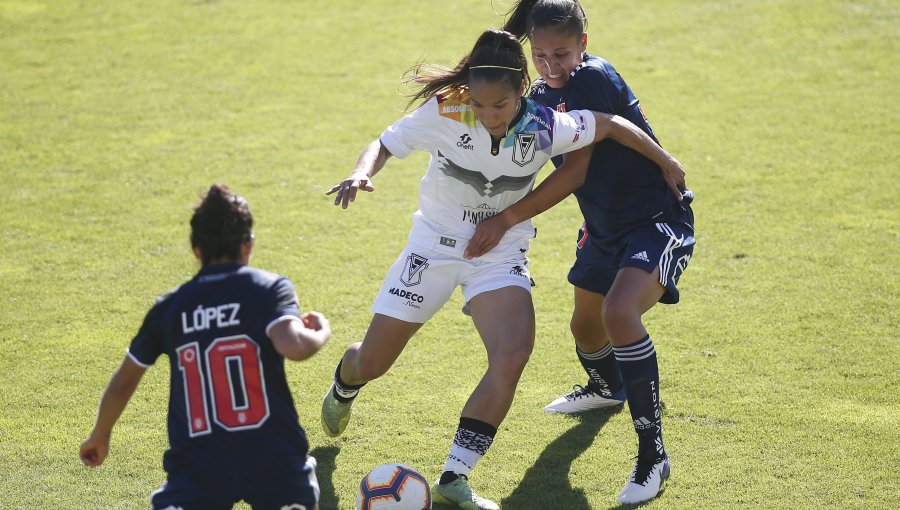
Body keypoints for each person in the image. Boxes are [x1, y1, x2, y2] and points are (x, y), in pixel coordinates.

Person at [320, 28, 684, 510]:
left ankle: (455, 475)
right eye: (481, 105)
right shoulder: (446, 109)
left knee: (512, 352)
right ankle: (348, 377)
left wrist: (665, 160)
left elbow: (612, 124)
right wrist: (362, 171)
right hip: (432, 249)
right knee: (374, 362)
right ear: (467, 91)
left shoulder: (544, 123)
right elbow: (385, 143)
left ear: (522, 93)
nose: (490, 116)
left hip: (499, 254)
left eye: (501, 106)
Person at [463, 0, 696, 504]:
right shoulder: (541, 92)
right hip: (603, 228)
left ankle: (653, 455)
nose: (550, 65)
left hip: (657, 220)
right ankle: (607, 385)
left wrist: (506, 218)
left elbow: (578, 169)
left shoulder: (591, 78)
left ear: (583, 46)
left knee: (619, 313)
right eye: (540, 54)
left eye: (561, 53)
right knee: (584, 327)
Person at [79, 184, 332, 510]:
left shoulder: (170, 307)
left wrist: (100, 435)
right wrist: (322, 332)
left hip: (199, 466)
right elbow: (295, 347)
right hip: (274, 459)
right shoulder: (269, 289)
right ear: (248, 244)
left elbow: (124, 382)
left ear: (195, 248)